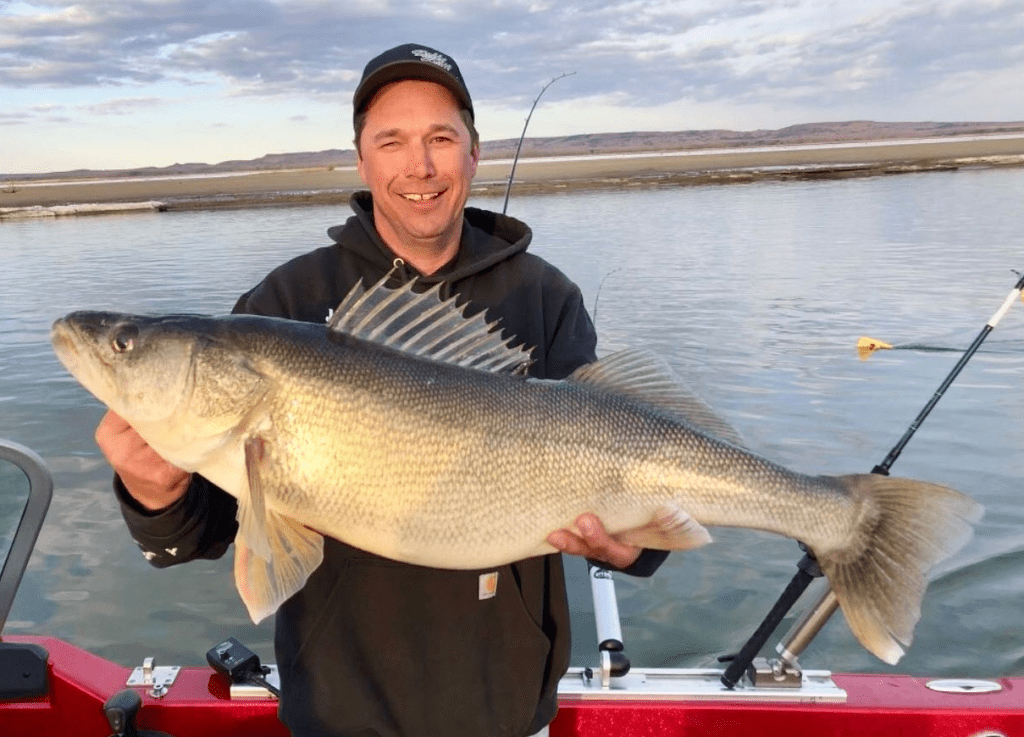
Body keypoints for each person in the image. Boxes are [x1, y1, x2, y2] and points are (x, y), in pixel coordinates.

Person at [95, 43, 668, 737]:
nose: (418, 165)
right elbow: (205, 532)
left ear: (474, 154)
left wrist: (640, 546)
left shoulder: (543, 296)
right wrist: (156, 496)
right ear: (362, 161)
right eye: (391, 140)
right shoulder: (287, 301)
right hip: (338, 716)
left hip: (509, 713)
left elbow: (634, 457)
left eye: (441, 138)